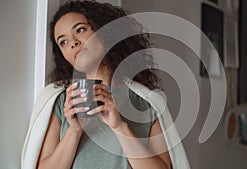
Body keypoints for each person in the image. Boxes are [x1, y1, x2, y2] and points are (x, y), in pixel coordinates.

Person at [36, 0, 171, 169]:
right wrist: (74, 131)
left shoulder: (147, 101)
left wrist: (119, 127)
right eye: (63, 42)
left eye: (80, 30)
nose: (73, 42)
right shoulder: (60, 101)